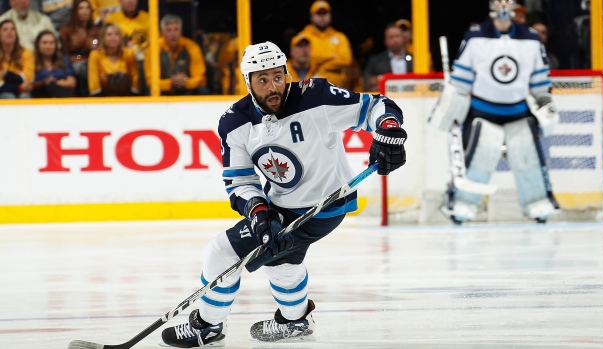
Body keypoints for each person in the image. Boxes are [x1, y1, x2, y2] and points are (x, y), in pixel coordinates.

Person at [158, 41, 407, 347]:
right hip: (280, 207)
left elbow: (375, 106)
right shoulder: (235, 123)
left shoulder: (316, 97)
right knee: (282, 261)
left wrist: (388, 128)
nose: (273, 87)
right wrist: (259, 214)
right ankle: (295, 320)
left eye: (278, 76)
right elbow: (240, 181)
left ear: (287, 73)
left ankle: (207, 326)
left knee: (221, 253)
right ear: (248, 82)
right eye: (262, 80)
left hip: (324, 207)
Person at [430, 0, 560, 224]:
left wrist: (545, 101)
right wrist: (450, 106)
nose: (503, 12)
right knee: (478, 162)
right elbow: (462, 81)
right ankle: (461, 207)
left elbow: (540, 81)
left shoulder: (530, 38)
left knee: (528, 161)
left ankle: (539, 206)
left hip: (519, 112)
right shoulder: (476, 36)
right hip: (483, 111)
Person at [144, 14, 207, 96]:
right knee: (150, 93)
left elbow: (200, 78)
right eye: (169, 30)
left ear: (181, 32)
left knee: (202, 91)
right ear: (162, 33)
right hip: (163, 92)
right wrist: (170, 83)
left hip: (187, 90)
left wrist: (186, 83)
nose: (173, 34)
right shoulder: (153, 49)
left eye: (176, 30)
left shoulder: (192, 47)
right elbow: (150, 82)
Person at [297, 0, 352, 88]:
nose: (322, 16)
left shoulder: (340, 37)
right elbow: (305, 57)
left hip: (338, 88)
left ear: (330, 15)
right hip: (312, 87)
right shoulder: (303, 37)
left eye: (325, 13)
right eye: (318, 14)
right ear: (311, 17)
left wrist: (323, 66)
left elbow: (346, 59)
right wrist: (333, 55)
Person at [59, 0, 100, 96]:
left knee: (86, 67)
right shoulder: (66, 29)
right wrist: (77, 59)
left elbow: (96, 47)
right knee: (79, 67)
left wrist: (93, 46)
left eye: (87, 8)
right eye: (81, 8)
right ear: (75, 11)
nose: (84, 11)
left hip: (91, 61)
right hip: (72, 61)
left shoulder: (96, 30)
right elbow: (64, 52)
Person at [87, 22, 138, 96]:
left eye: (116, 34)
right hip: (103, 97)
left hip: (126, 96)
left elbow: (135, 78)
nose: (113, 38)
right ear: (103, 38)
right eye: (109, 35)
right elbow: (93, 82)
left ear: (120, 38)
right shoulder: (95, 54)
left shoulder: (129, 54)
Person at [363, 23, 413, 92]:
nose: (395, 40)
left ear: (404, 39)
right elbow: (367, 83)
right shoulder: (375, 60)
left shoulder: (415, 60)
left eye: (397, 36)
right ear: (385, 41)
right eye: (391, 37)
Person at [32, 29, 75, 97]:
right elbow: (29, 83)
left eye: (51, 43)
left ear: (56, 45)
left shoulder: (64, 59)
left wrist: (54, 83)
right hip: (39, 95)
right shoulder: (32, 60)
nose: (48, 46)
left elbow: (72, 83)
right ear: (38, 45)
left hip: (60, 94)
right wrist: (44, 83)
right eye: (44, 43)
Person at [0, 19, 34, 98]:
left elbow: (27, 77)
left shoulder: (26, 52)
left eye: (13, 29)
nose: (9, 32)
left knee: (25, 97)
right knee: (9, 96)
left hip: (23, 91)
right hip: (5, 92)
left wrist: (6, 75)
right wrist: (19, 86)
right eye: (5, 29)